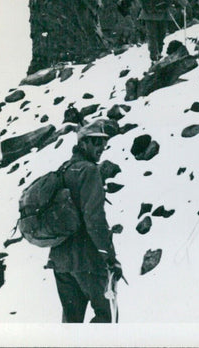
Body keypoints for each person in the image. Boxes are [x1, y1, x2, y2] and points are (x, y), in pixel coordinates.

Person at [47, 120, 122, 323]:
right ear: (83, 143)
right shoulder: (89, 171)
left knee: (71, 324)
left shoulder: (63, 170)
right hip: (88, 261)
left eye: (104, 143)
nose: (101, 148)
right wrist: (109, 256)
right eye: (96, 143)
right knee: (106, 319)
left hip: (61, 261)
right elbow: (94, 218)